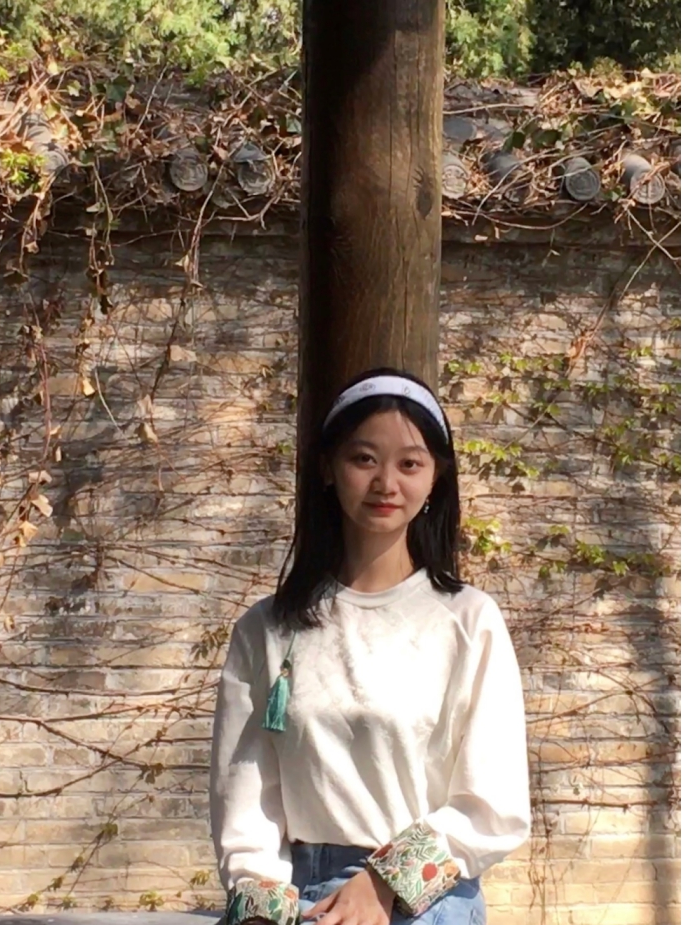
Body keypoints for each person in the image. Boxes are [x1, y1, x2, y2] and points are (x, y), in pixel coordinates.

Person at [210, 367, 531, 925]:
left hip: (424, 899)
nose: (386, 482)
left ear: (435, 478)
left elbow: (493, 804)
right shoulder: (268, 628)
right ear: (328, 468)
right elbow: (245, 795)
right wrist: (260, 902)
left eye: (409, 464)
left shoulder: (468, 620)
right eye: (364, 459)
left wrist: (383, 882)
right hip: (292, 893)